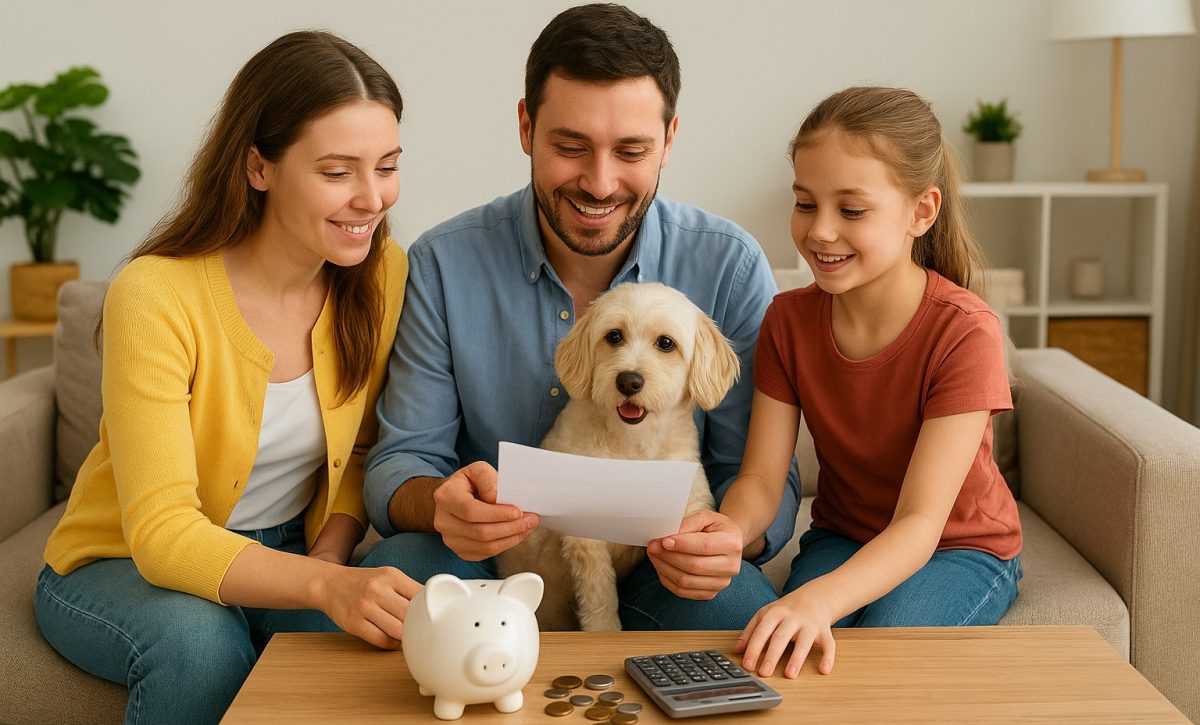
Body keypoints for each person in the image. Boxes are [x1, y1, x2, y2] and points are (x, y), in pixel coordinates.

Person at [360, 3, 801, 630]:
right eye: (571, 147)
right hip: (487, 557)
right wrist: (440, 504)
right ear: (525, 128)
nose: (599, 182)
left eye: (630, 151)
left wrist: (730, 535)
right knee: (402, 578)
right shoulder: (442, 263)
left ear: (669, 139)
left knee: (734, 614)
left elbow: (755, 473)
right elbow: (401, 462)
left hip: (659, 561)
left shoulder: (727, 265)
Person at [34, 31, 419, 725]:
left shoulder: (382, 276)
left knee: (409, 610)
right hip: (119, 562)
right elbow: (161, 531)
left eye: (387, 166)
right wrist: (322, 585)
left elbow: (361, 451)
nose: (373, 199)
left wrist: (331, 561)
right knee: (200, 643)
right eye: (338, 172)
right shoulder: (155, 294)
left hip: (291, 548)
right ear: (258, 166)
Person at [706, 86, 1022, 678]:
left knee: (880, 649)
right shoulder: (786, 321)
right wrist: (730, 530)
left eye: (851, 210)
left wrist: (819, 600)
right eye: (805, 204)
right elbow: (761, 478)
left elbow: (921, 523)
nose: (821, 232)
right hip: (842, 537)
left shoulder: (964, 332)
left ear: (921, 212)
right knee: (789, 656)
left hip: (961, 549)